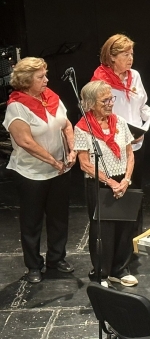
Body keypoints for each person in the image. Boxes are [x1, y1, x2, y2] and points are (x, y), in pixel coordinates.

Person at [3, 57, 77, 283]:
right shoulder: (16, 106)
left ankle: (57, 258)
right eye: (41, 77)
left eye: (45, 75)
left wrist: (72, 150)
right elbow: (25, 142)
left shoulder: (51, 97)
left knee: (58, 218)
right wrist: (53, 162)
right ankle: (33, 266)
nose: (46, 80)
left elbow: (66, 124)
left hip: (60, 170)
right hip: (31, 173)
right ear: (26, 80)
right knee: (32, 220)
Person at [92, 34, 150, 236]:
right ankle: (117, 241)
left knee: (135, 191)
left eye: (132, 53)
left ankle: (134, 238)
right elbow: (98, 114)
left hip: (137, 143)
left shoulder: (134, 76)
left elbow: (141, 105)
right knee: (118, 194)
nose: (131, 58)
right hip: (114, 146)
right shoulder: (100, 81)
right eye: (125, 54)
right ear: (112, 57)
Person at [74, 80, 137, 287]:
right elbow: (84, 163)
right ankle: (101, 272)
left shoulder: (119, 122)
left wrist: (126, 179)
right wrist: (109, 182)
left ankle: (120, 269)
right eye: (105, 100)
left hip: (123, 181)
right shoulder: (83, 128)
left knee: (126, 227)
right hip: (99, 183)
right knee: (103, 230)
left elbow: (129, 153)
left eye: (112, 98)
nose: (111, 103)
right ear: (91, 103)